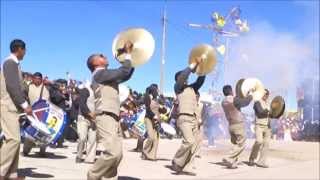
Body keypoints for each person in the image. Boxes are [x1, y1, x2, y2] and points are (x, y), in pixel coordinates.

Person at [87, 41, 134, 180]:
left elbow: (126, 74)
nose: (104, 55)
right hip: (105, 115)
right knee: (112, 152)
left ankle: (108, 177)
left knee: (118, 154)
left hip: (113, 116)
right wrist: (127, 54)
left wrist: (130, 57)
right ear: (95, 63)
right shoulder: (99, 74)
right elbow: (123, 71)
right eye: (101, 55)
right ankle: (93, 175)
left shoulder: (106, 76)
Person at [0, 39, 31, 180]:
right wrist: (24, 104)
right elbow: (12, 86)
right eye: (24, 50)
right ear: (19, 49)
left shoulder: (15, 64)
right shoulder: (10, 63)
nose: (25, 53)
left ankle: (11, 174)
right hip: (8, 107)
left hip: (14, 108)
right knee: (14, 140)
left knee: (15, 142)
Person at [171, 57, 205, 176]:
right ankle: (177, 160)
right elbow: (183, 76)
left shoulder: (192, 88)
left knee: (195, 144)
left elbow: (200, 81)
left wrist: (203, 69)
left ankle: (188, 166)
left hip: (194, 119)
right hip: (184, 118)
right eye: (184, 78)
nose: (186, 79)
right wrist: (192, 66)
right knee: (189, 141)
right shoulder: (178, 88)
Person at [221, 85, 253, 169]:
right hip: (238, 124)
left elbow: (238, 103)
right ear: (231, 91)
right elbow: (245, 102)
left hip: (230, 125)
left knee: (235, 144)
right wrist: (250, 95)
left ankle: (232, 163)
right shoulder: (234, 99)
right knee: (241, 144)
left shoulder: (223, 101)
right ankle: (229, 157)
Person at [22, 72, 51, 157]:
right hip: (31, 113)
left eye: (39, 79)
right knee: (30, 133)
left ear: (41, 79)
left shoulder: (45, 89)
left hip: (42, 114)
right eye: (35, 78)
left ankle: (42, 151)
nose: (37, 80)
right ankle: (25, 151)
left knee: (43, 133)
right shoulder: (29, 87)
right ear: (33, 79)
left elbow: (46, 102)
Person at [248, 89, 271, 168]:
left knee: (266, 144)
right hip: (259, 125)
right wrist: (269, 110)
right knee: (259, 141)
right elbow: (260, 112)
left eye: (267, 94)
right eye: (265, 94)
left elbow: (272, 115)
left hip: (267, 127)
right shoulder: (257, 102)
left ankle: (261, 162)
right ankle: (252, 158)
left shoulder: (268, 104)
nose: (266, 95)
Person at [75, 82, 97, 164]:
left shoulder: (100, 94)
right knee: (82, 138)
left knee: (93, 140)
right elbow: (82, 104)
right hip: (83, 118)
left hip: (94, 120)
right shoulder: (86, 90)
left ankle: (90, 159)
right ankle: (79, 155)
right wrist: (89, 113)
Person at [142, 84, 160, 161]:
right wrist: (153, 115)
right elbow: (148, 109)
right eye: (156, 90)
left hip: (156, 120)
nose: (157, 91)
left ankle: (152, 155)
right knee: (151, 137)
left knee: (156, 139)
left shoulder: (157, 99)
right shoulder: (147, 97)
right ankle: (145, 151)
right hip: (149, 118)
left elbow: (159, 109)